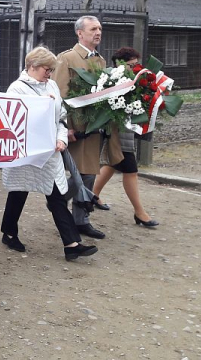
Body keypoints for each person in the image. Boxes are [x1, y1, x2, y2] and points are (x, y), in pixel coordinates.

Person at [1, 47, 98, 261]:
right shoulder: (17, 89)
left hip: (50, 153)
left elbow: (61, 117)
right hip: (27, 154)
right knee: (19, 192)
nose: (50, 73)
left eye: (52, 69)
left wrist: (61, 138)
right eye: (47, 69)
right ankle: (9, 232)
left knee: (56, 196)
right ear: (33, 67)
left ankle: (72, 245)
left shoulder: (51, 85)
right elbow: (11, 121)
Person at [53, 16, 111, 240]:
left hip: (94, 127)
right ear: (80, 33)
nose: (98, 32)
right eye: (93, 29)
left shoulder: (100, 60)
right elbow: (59, 95)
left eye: (100, 29)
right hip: (74, 128)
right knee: (82, 174)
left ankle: (79, 218)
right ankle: (59, 201)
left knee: (89, 173)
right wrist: (64, 127)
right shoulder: (66, 59)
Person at [92, 47, 159, 228]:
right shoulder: (113, 81)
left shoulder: (137, 79)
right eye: (131, 65)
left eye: (137, 64)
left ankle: (93, 195)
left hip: (127, 130)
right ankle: (139, 212)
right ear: (119, 65)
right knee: (130, 170)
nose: (135, 68)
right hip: (117, 132)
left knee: (114, 163)